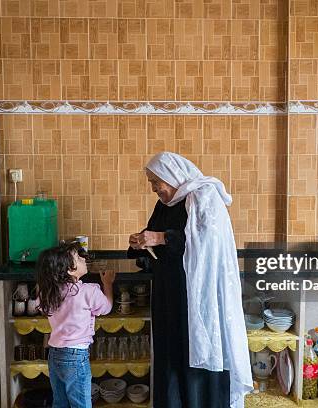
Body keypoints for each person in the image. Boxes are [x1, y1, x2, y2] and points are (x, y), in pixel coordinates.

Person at [128, 152, 252, 408]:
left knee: (197, 349)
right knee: (171, 352)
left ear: (171, 176)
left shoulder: (204, 196)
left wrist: (162, 238)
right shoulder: (165, 203)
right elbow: (157, 234)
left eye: (156, 182)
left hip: (198, 295)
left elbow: (208, 243)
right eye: (151, 183)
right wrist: (142, 240)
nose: (154, 189)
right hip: (168, 292)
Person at [36, 242, 116, 408]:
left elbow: (41, 306)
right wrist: (108, 284)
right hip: (76, 356)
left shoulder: (48, 292)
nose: (83, 258)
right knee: (81, 404)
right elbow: (106, 307)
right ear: (69, 269)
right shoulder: (88, 291)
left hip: (54, 354)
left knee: (60, 403)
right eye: (78, 257)